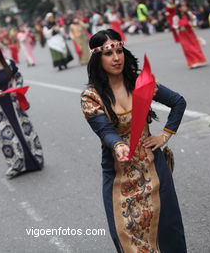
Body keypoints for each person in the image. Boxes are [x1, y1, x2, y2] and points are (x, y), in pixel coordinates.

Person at [80, 29, 187, 253]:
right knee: (126, 233)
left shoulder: (141, 82)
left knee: (168, 230)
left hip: (154, 169)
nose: (117, 58)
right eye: (109, 53)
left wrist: (165, 135)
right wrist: (118, 145)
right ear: (98, 58)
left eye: (119, 51)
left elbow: (178, 102)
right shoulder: (91, 96)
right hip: (118, 173)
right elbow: (104, 129)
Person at [0, 38, 44, 178]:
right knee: (7, 136)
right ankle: (16, 165)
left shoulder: (9, 63)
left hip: (14, 102)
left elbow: (18, 77)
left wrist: (17, 88)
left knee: (24, 131)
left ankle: (34, 160)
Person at [173, 2, 207, 68]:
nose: (185, 7)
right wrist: (179, 27)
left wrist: (193, 25)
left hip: (190, 32)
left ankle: (199, 60)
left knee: (195, 46)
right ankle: (192, 62)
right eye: (183, 6)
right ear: (179, 8)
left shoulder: (189, 14)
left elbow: (194, 19)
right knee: (187, 48)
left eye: (185, 6)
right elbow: (175, 25)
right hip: (182, 34)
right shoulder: (176, 17)